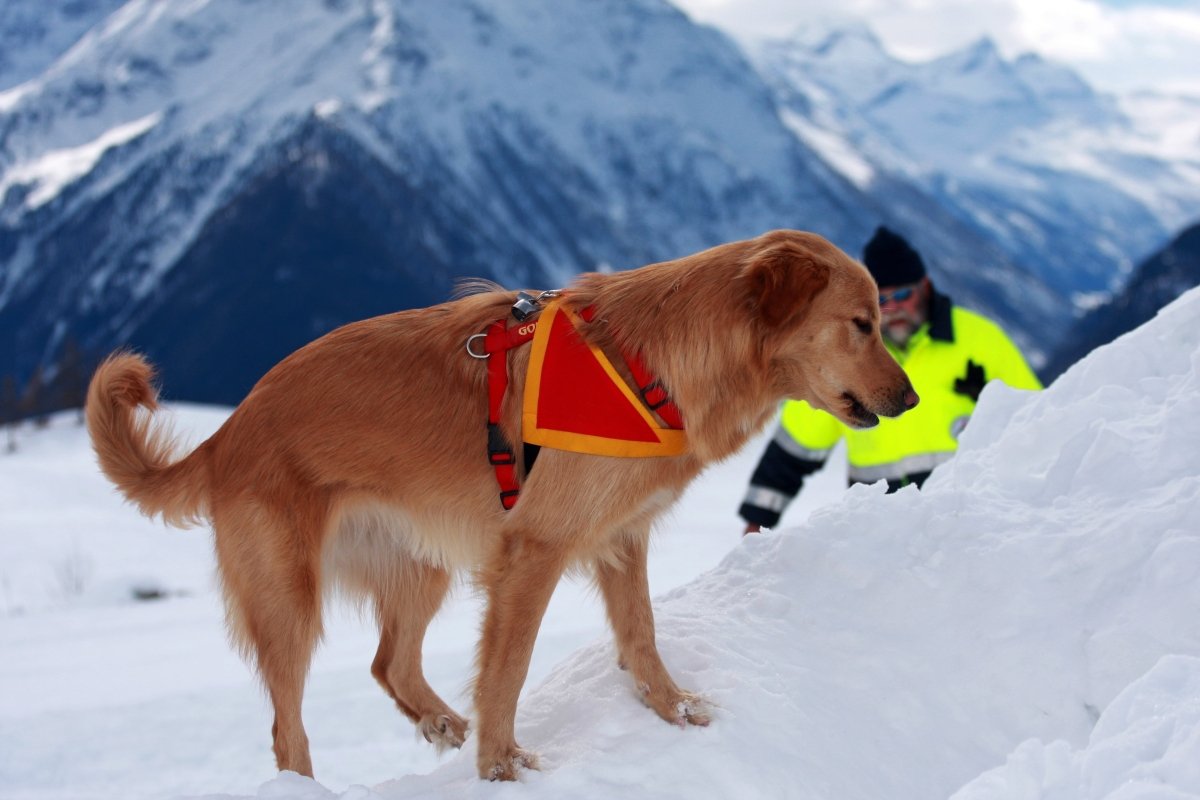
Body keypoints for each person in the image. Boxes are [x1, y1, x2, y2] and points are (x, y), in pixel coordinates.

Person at [739, 226, 1041, 533]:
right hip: (881, 535)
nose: (892, 308)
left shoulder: (981, 341)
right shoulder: (844, 356)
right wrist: (757, 520)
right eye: (881, 299)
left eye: (902, 295)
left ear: (925, 286)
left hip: (970, 525)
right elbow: (794, 451)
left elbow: (1041, 424)